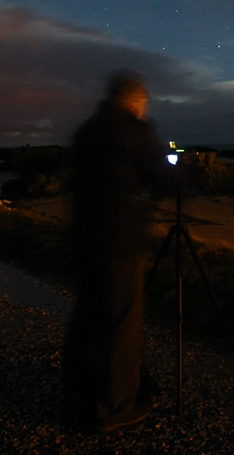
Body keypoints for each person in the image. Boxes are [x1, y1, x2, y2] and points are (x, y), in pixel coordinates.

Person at [62, 69, 165, 433]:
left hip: (85, 238)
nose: (145, 107)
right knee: (122, 324)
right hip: (120, 242)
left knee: (88, 319)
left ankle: (79, 396)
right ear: (134, 100)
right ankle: (115, 407)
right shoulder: (135, 131)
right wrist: (187, 169)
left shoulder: (87, 131)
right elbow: (163, 178)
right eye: (144, 101)